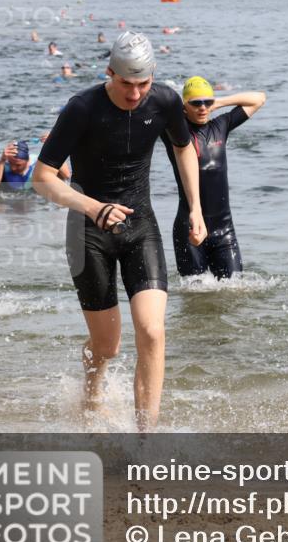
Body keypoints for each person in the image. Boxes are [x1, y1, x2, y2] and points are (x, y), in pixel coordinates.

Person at [32, 30, 206, 431]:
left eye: (143, 83)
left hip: (140, 227)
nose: (135, 93)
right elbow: (42, 179)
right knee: (107, 346)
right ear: (110, 73)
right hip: (87, 233)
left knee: (152, 331)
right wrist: (95, 207)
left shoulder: (164, 101)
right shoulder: (82, 108)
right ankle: (91, 398)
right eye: (126, 83)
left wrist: (195, 207)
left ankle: (146, 438)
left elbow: (183, 148)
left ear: (153, 76)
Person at [161, 76, 265, 280]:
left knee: (235, 290)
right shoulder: (175, 131)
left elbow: (259, 98)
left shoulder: (221, 125)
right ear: (184, 106)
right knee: (195, 293)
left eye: (206, 102)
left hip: (224, 230)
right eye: (196, 103)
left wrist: (219, 102)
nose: (202, 108)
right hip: (190, 228)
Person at [0, 139, 70, 192]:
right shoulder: (0, 164)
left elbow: (66, 175)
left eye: (18, 165)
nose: (13, 168)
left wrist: (53, 147)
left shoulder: (37, 163)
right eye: (10, 163)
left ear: (27, 160)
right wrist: (2, 161)